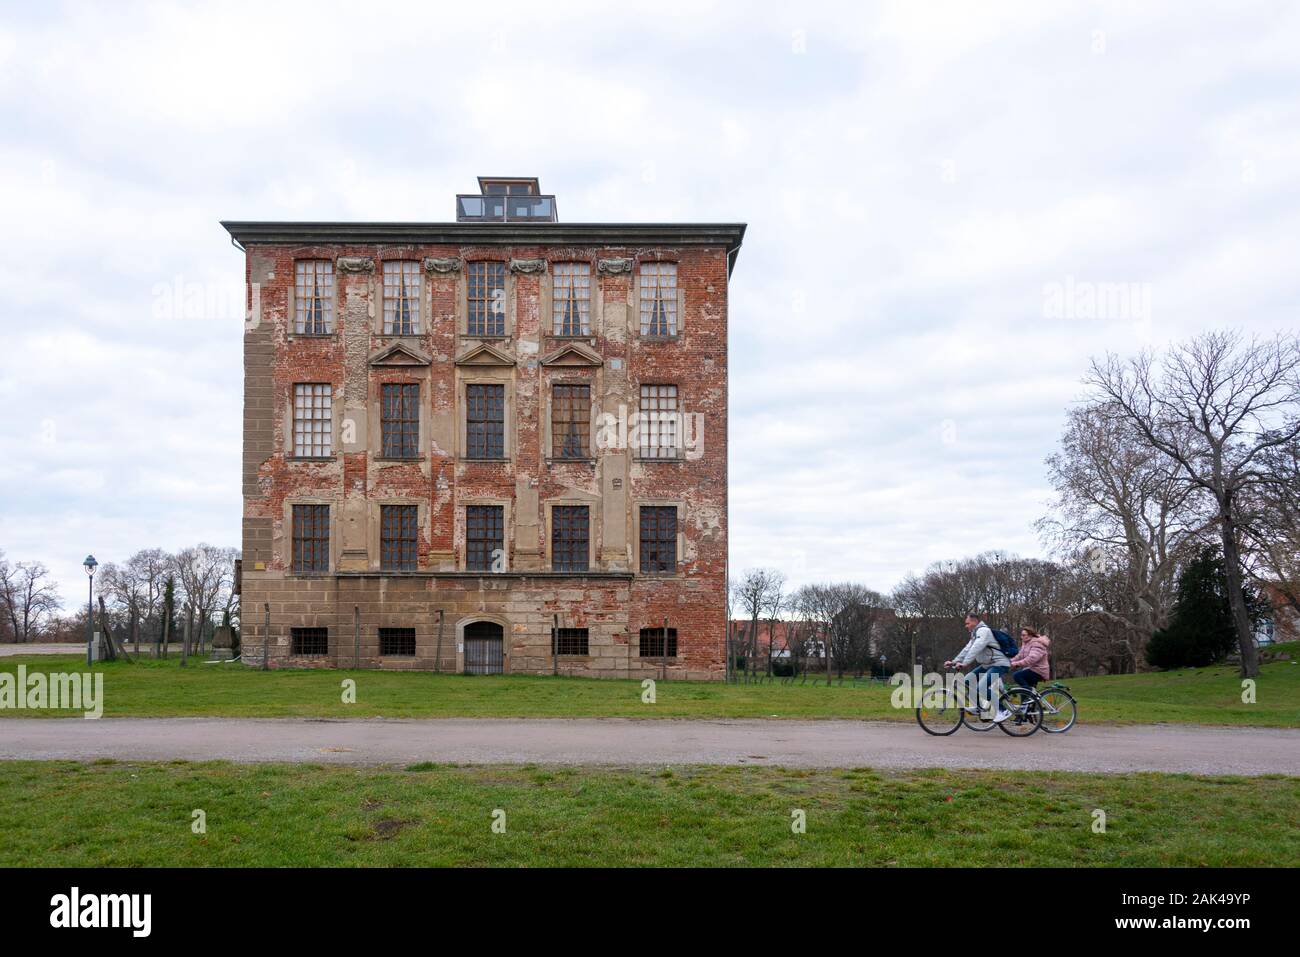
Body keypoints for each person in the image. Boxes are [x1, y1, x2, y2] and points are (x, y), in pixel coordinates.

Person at [944, 612, 1011, 723]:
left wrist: (965, 663)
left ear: (975, 622)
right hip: (988, 665)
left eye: (967, 623)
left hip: (999, 664)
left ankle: (1003, 710)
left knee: (982, 687)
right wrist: (954, 662)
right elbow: (967, 649)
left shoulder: (983, 631)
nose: (966, 626)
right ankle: (979, 707)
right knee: (967, 681)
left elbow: (976, 648)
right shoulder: (975, 634)